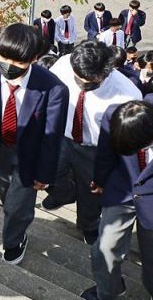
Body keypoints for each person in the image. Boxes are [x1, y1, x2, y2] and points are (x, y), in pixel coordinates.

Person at [0, 24, 68, 265]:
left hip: (30, 157)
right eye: (4, 57)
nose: (8, 66)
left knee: (16, 206)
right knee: (8, 197)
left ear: (34, 59)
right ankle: (18, 219)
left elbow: (51, 136)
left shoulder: (53, 89)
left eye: (18, 62)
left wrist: (44, 173)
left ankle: (14, 240)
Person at [46, 41, 142, 244]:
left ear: (107, 72)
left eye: (90, 82)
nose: (82, 85)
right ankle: (63, 194)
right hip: (62, 137)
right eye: (78, 79)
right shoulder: (64, 63)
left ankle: (88, 225)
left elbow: (122, 140)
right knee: (48, 171)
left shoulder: (127, 93)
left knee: (90, 192)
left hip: (95, 149)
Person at [80, 101, 153, 300]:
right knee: (105, 248)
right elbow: (105, 152)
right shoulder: (115, 115)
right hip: (122, 189)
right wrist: (100, 179)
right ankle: (108, 290)